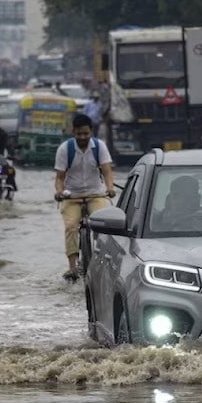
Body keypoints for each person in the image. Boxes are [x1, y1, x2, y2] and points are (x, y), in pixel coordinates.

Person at [54, 114, 116, 282]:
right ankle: (72, 267)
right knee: (71, 225)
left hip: (96, 194)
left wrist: (110, 188)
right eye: (79, 134)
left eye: (86, 134)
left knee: (105, 225)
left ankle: (104, 260)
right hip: (71, 196)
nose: (82, 137)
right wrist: (59, 192)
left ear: (91, 132)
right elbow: (60, 177)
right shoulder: (64, 149)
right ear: (73, 132)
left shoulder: (100, 147)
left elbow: (107, 171)